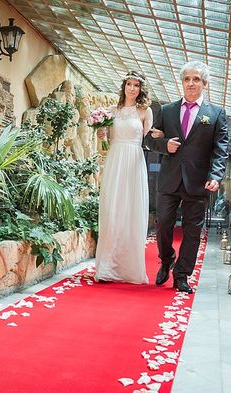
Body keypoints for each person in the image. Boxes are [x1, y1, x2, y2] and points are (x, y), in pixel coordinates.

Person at [145, 61, 229, 293]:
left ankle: (182, 275)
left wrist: (216, 176)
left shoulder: (216, 114)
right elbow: (149, 141)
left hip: (198, 181)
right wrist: (164, 145)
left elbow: (221, 150)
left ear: (205, 83)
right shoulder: (167, 110)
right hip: (169, 179)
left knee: (192, 231)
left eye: (196, 79)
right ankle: (166, 259)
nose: (191, 83)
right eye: (187, 79)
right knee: (163, 224)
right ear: (182, 82)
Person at [95, 71, 153, 284]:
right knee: (112, 210)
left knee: (131, 210)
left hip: (134, 162)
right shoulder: (111, 111)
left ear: (140, 89)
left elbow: (149, 141)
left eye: (136, 85)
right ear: (124, 87)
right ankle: (107, 267)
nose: (132, 88)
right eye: (129, 84)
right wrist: (100, 134)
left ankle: (130, 269)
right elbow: (105, 141)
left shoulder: (145, 112)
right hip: (115, 159)